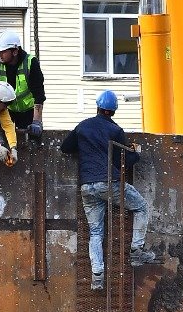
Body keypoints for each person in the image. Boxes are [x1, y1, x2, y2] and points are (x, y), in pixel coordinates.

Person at [60, 90, 153, 292]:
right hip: (107, 182)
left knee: (95, 232)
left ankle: (97, 276)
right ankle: (136, 251)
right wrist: (136, 153)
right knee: (141, 207)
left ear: (97, 106)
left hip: (87, 186)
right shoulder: (115, 130)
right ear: (113, 111)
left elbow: (65, 147)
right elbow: (124, 163)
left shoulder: (83, 126)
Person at [0, 30, 46, 137]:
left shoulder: (31, 63)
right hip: (5, 110)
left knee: (31, 140)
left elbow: (39, 94)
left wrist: (37, 121)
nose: (0, 55)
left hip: (28, 113)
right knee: (2, 139)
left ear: (15, 51)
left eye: (3, 51)